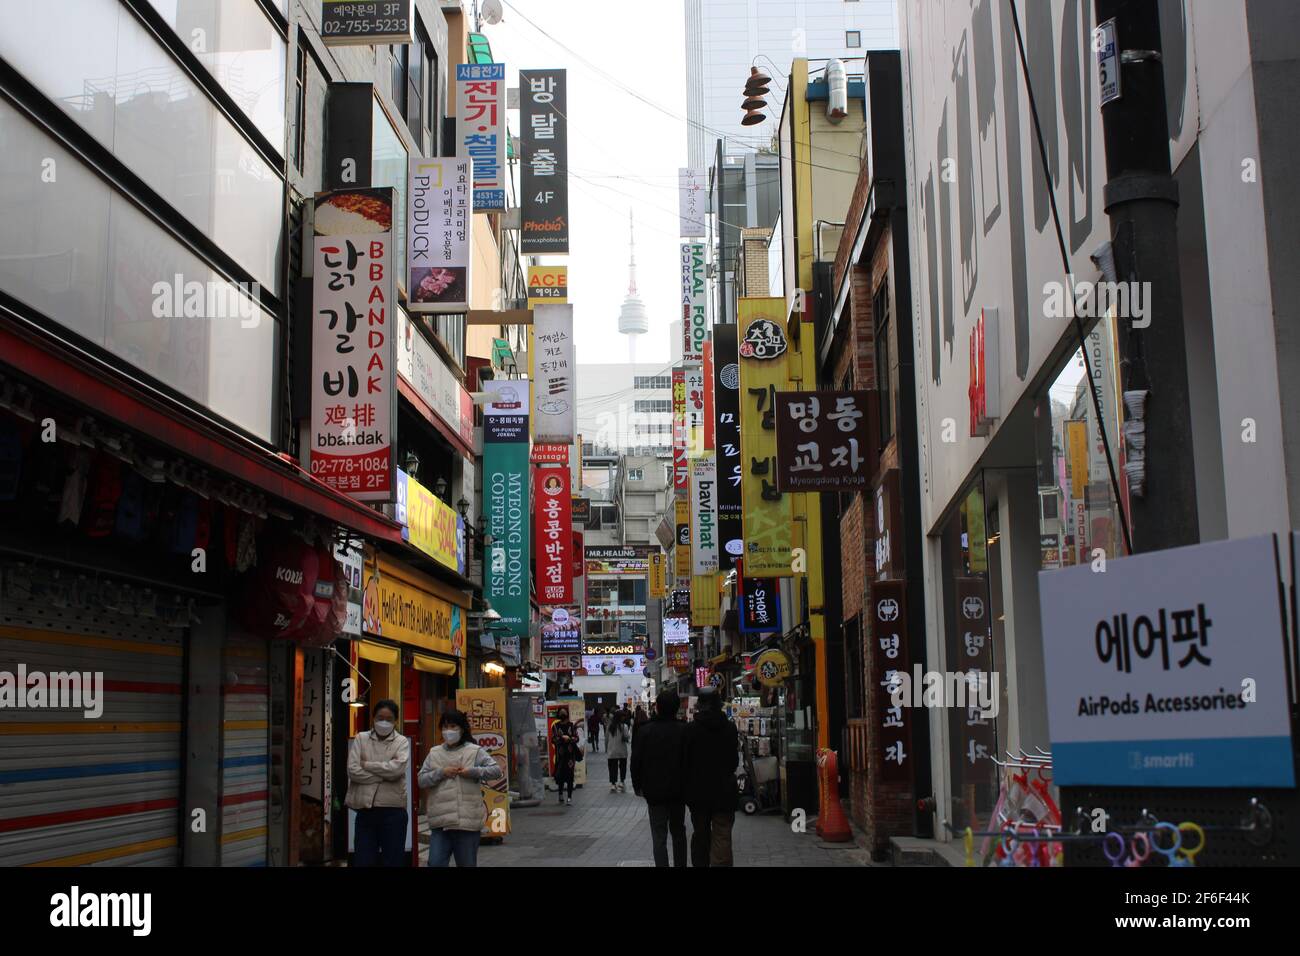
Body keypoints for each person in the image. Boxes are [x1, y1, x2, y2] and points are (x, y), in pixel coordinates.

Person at [417, 709, 502, 867]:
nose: (448, 731)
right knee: (435, 863)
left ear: (462, 729)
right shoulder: (434, 753)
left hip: (467, 823)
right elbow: (421, 780)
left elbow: (496, 770)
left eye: (453, 726)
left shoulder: (474, 751)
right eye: (445, 727)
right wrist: (441, 772)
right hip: (440, 823)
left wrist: (472, 772)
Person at [345, 699, 411, 866]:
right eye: (380, 717)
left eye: (389, 719)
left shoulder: (401, 742)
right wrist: (384, 775)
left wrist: (366, 765)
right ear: (373, 718)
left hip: (393, 811)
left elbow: (397, 770)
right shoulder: (361, 738)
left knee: (393, 861)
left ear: (395, 721)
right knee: (363, 860)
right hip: (366, 809)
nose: (384, 722)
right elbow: (353, 770)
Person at [681, 687, 739, 867]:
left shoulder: (690, 730)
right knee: (722, 835)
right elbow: (733, 761)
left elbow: (684, 762)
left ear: (699, 706)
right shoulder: (729, 728)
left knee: (700, 834)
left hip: (698, 793)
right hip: (724, 791)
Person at [630, 691, 688, 867]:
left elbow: (636, 761)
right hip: (679, 791)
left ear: (658, 707)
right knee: (679, 833)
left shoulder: (645, 731)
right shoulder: (684, 730)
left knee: (658, 835)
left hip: (654, 792)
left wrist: (637, 785)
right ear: (677, 708)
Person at [551, 707, 580, 805]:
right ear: (558, 714)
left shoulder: (571, 726)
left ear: (567, 714)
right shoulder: (555, 726)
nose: (563, 714)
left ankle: (569, 797)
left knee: (570, 776)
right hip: (560, 756)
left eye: (564, 712)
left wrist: (569, 738)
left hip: (570, 757)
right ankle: (560, 795)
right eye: (561, 712)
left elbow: (576, 738)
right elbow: (553, 739)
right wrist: (562, 738)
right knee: (560, 776)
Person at [605, 709, 630, 792]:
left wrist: (606, 749)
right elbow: (627, 737)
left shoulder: (610, 726)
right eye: (623, 716)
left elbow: (606, 738)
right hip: (622, 750)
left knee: (612, 767)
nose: (624, 718)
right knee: (622, 766)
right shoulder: (624, 726)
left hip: (612, 750)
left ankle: (613, 784)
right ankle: (622, 782)